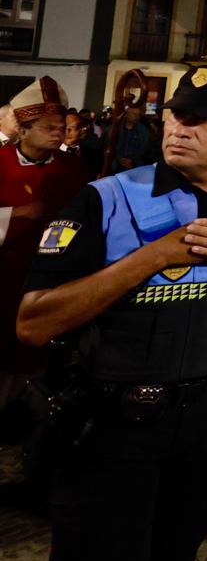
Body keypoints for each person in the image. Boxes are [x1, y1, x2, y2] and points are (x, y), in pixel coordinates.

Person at [17, 66, 207, 561]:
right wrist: (151, 258)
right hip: (115, 425)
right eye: (177, 115)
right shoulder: (106, 197)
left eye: (202, 119)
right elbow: (32, 324)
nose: (181, 128)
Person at [0, 78, 93, 405]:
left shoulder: (75, 168)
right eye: (48, 126)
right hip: (5, 270)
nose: (58, 132)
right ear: (23, 130)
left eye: (60, 126)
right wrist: (22, 213)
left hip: (51, 273)